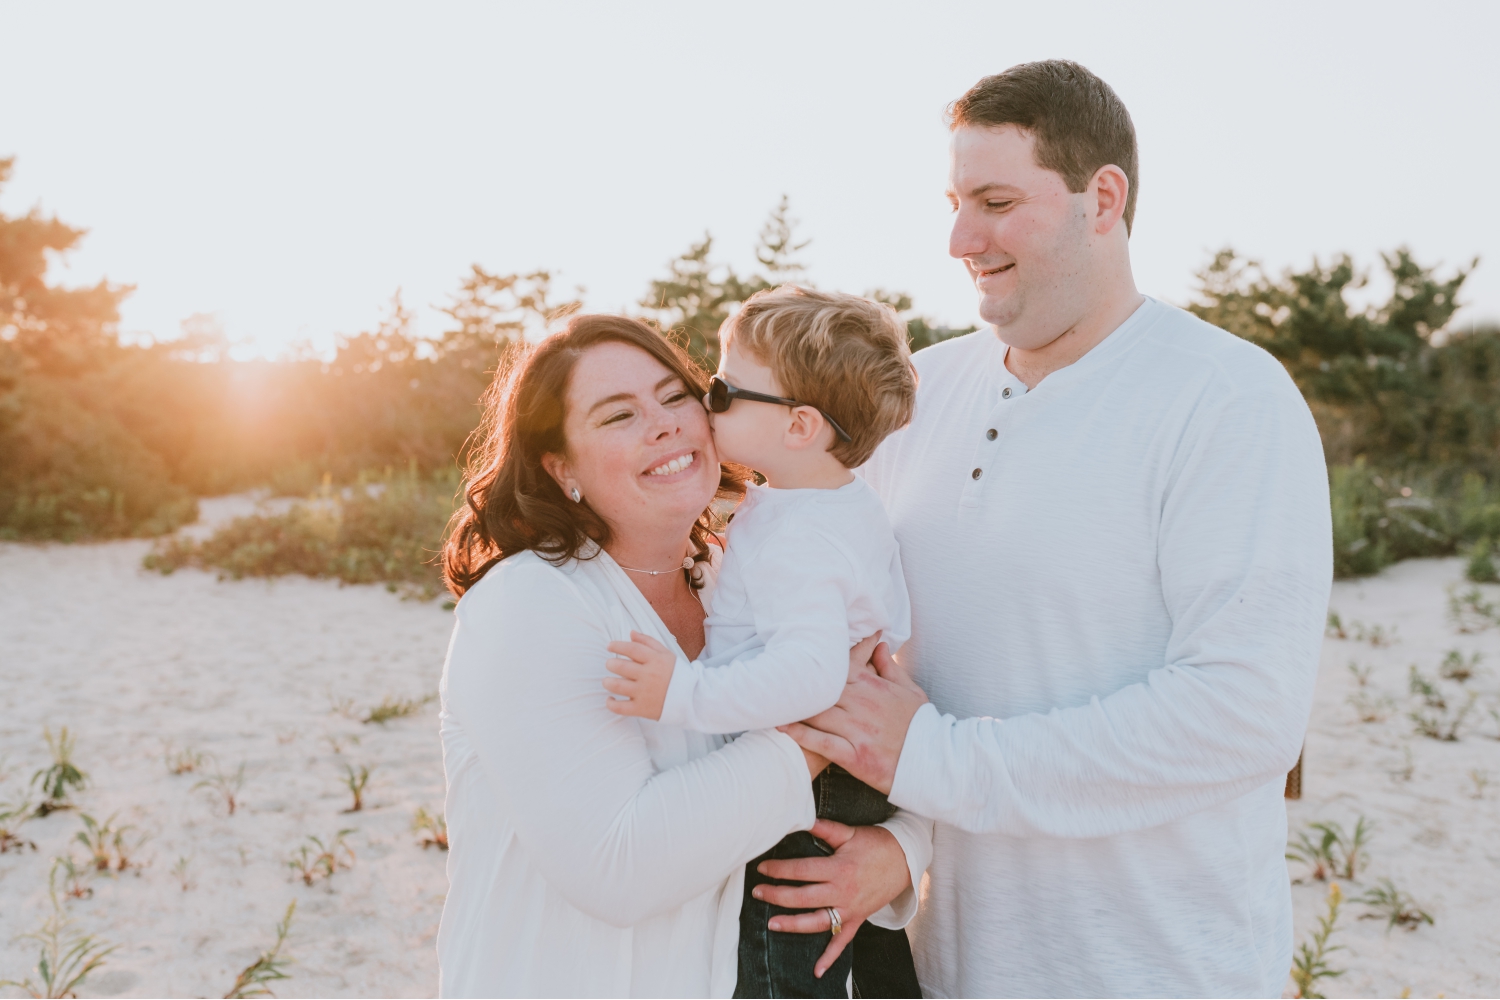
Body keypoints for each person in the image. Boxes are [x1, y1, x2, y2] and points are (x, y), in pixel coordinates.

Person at [784, 60, 1334, 997]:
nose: (961, 237)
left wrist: (941, 761)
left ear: (1103, 198)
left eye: (996, 201)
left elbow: (1243, 714)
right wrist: (900, 837)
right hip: (944, 965)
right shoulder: (915, 394)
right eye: (955, 201)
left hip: (1157, 965)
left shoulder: (1227, 397)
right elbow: (864, 649)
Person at [434, 314, 925, 998]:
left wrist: (901, 853)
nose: (663, 425)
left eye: (675, 397)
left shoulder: (739, 575)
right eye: (618, 416)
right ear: (561, 466)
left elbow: (895, 722)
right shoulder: (530, 604)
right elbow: (618, 866)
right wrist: (815, 736)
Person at [603, 286, 925, 996]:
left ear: (800, 426)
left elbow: (809, 676)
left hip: (822, 784)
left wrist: (682, 693)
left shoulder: (801, 540)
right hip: (848, 774)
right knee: (855, 947)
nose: (703, 404)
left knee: (780, 950)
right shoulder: (832, 505)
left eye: (722, 390)